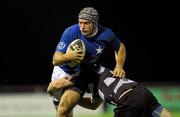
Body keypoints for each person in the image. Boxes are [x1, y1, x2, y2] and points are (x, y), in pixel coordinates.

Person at [47, 7, 126, 117]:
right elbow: (55, 60)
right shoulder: (71, 32)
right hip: (63, 72)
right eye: (80, 22)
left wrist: (119, 66)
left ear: (95, 23)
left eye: (86, 23)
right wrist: (67, 56)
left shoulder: (106, 34)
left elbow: (120, 47)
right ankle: (59, 94)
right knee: (63, 111)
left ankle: (69, 98)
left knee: (80, 106)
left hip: (85, 73)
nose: (82, 27)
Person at [78, 66, 173, 117]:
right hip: (142, 91)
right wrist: (76, 100)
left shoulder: (90, 75)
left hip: (127, 100)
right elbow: (93, 105)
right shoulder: (101, 77)